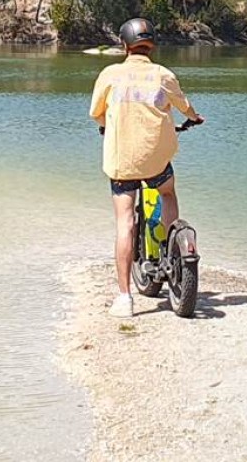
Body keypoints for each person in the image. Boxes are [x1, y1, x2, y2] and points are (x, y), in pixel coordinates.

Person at [89, 17, 204, 318]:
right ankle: (171, 248)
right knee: (167, 193)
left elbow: (96, 113)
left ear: (124, 44)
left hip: (122, 163)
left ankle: (125, 297)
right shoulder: (163, 75)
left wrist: (106, 125)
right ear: (151, 45)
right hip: (155, 162)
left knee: (125, 222)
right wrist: (194, 117)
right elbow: (185, 107)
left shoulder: (110, 74)